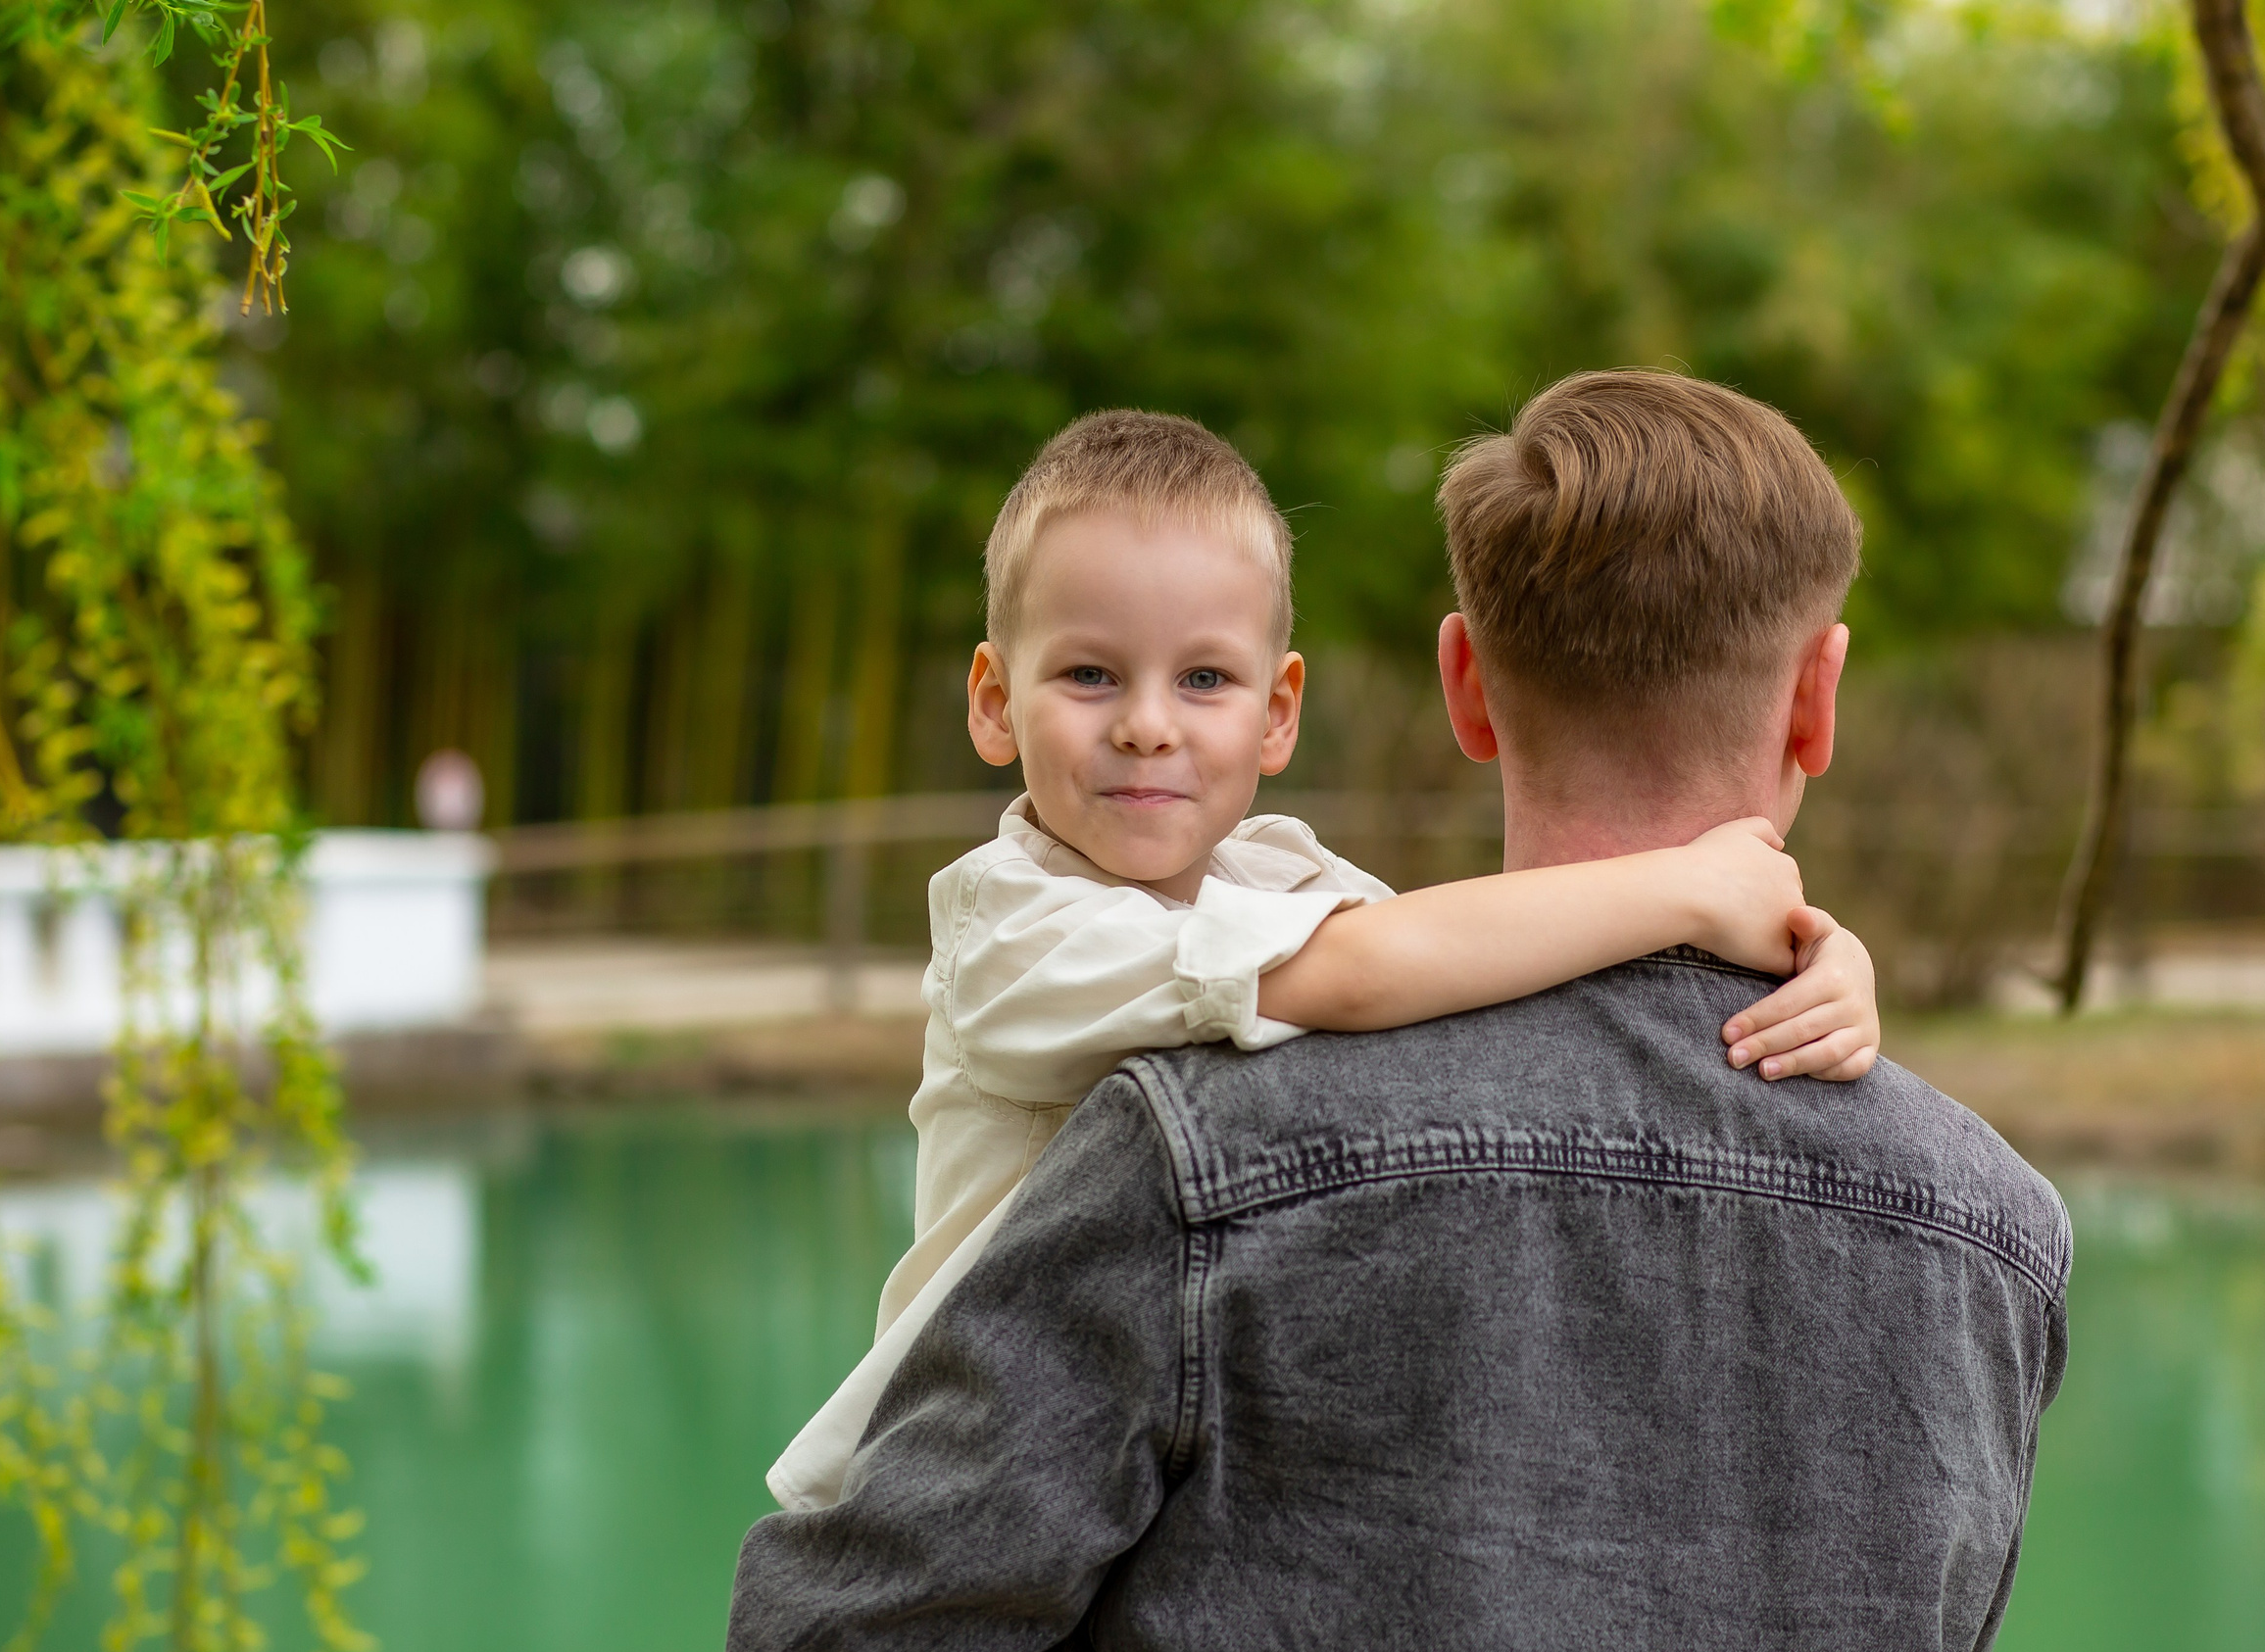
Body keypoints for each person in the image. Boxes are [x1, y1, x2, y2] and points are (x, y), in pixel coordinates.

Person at [765, 407, 1885, 1514]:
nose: (1148, 725)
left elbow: (1475, 960)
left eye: (1203, 679)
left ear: (1277, 712)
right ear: (994, 700)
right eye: (1091, 676)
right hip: (963, 1475)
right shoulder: (1014, 927)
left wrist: (1810, 954)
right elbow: (1363, 973)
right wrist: (1689, 886)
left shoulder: (1282, 879)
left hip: (1134, 1455)